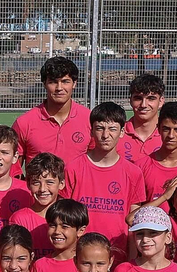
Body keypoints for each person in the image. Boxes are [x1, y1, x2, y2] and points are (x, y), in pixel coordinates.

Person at [63, 102, 148, 256]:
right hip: (79, 256)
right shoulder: (73, 168)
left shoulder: (133, 173)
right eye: (100, 128)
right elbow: (64, 218)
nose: (105, 135)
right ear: (91, 131)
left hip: (117, 256)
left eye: (112, 129)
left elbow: (133, 223)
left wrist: (132, 260)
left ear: (122, 132)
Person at [14, 56, 92, 163]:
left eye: (65, 81)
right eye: (53, 82)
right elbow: (14, 170)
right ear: (44, 84)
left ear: (74, 84)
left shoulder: (89, 119)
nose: (59, 88)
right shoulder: (24, 123)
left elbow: (98, 163)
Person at [33, 197, 88, 272]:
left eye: (65, 226)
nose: (57, 231)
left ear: (80, 231)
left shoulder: (88, 264)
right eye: (52, 225)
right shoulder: (39, 266)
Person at [7, 151, 66, 244]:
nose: (42, 189)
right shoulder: (20, 219)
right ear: (28, 184)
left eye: (49, 182)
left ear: (61, 184)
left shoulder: (69, 217)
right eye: (36, 183)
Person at [118, 72, 165, 166]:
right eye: (138, 98)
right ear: (130, 100)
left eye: (151, 98)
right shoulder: (115, 134)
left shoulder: (171, 135)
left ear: (161, 101)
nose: (143, 105)